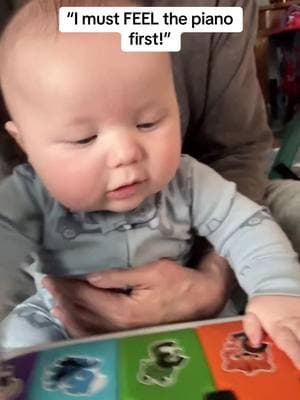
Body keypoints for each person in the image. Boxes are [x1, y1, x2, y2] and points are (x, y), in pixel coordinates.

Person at [1, 0, 300, 369]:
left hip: (190, 303)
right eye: (84, 139)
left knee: (244, 328)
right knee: (17, 341)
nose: (126, 152)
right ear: (25, 143)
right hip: (58, 319)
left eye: (147, 123)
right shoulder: (26, 196)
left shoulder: (188, 180)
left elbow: (247, 225)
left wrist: (277, 290)